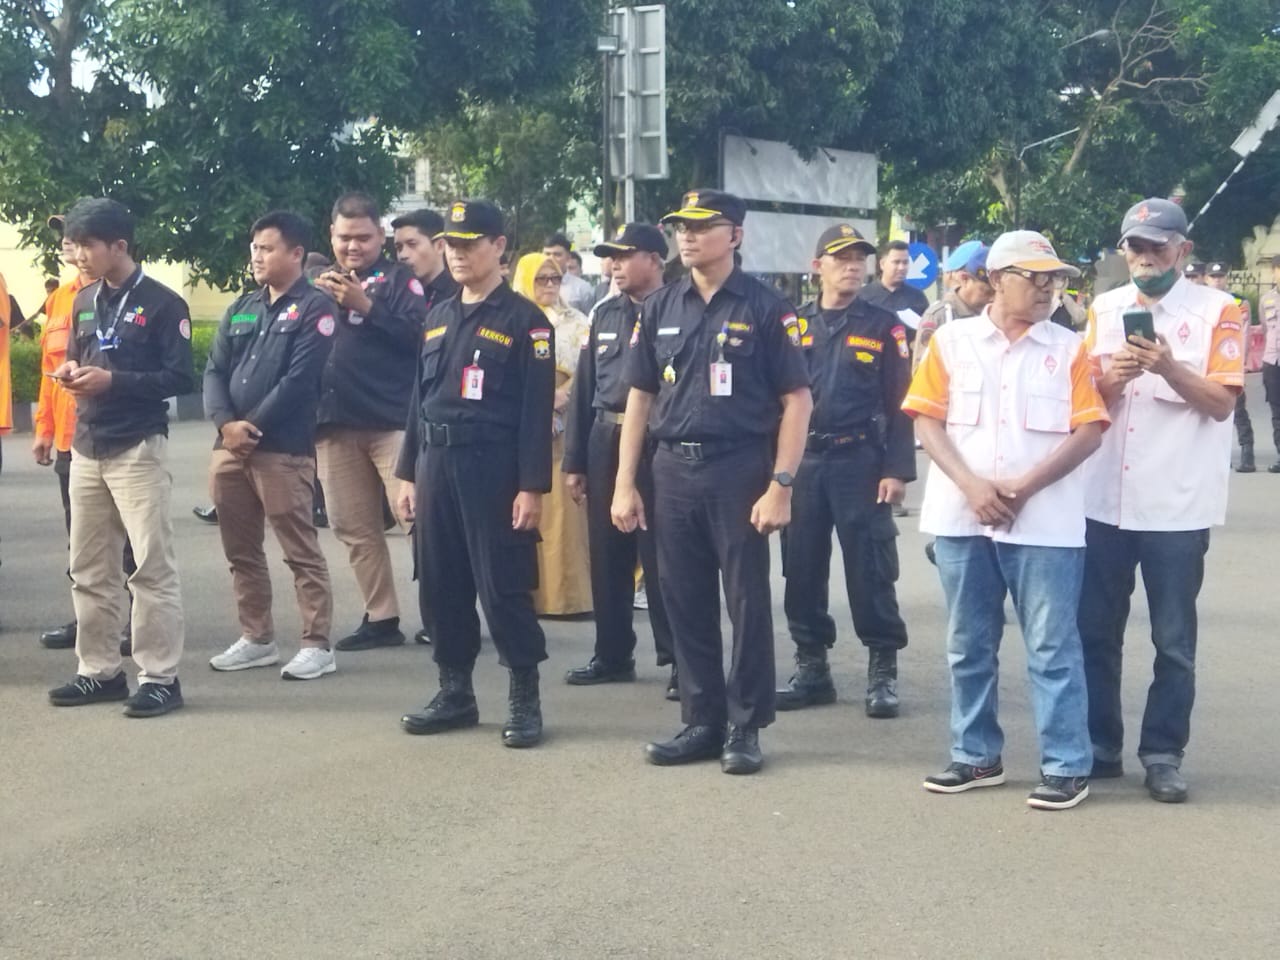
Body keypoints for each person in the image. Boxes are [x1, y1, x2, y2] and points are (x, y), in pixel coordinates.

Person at [613, 189, 813, 775]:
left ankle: (745, 725)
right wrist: (625, 483)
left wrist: (781, 484)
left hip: (739, 467)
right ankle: (702, 720)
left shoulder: (766, 307)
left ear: (736, 236)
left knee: (745, 599)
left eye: (703, 226)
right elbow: (640, 397)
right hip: (672, 468)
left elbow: (797, 400)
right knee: (682, 597)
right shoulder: (660, 306)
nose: (688, 235)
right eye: (682, 226)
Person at [905, 229, 1107, 811]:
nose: (1047, 289)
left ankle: (1066, 765)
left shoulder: (1069, 348)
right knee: (968, 644)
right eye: (1033, 277)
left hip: (1045, 523)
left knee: (1051, 647)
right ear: (996, 279)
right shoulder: (952, 341)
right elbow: (926, 419)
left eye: (1055, 279)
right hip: (961, 517)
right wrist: (972, 486)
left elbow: (1090, 430)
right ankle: (975, 755)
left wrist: (1024, 487)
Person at [1079, 198, 1245, 804]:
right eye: (1135, 246)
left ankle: (1163, 753)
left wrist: (1170, 368)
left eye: (1157, 246)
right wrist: (1113, 378)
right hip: (1104, 500)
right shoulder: (1103, 309)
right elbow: (1084, 397)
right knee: (1095, 632)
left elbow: (1222, 403)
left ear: (1183, 250)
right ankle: (1100, 746)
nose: (1145, 257)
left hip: (1176, 504)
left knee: (1173, 642)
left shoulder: (1220, 311)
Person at [395, 199, 555, 748]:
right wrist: (407, 473)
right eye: (452, 245)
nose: (458, 255)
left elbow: (535, 413)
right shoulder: (438, 316)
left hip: (493, 468)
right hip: (436, 464)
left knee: (503, 584)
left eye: (470, 244)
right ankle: (455, 692)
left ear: (498, 247)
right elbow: (419, 400)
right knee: (441, 582)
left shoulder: (526, 322)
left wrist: (531, 486)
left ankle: (524, 698)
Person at [48, 198, 194, 717]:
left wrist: (115, 381)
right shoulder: (84, 299)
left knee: (150, 567)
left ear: (119, 246)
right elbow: (79, 354)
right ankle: (99, 671)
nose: (78, 254)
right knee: (88, 567)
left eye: (87, 245)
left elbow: (180, 378)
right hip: (87, 444)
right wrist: (71, 372)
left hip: (137, 446)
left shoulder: (164, 303)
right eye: (74, 245)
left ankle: (160, 678)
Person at [776, 224, 915, 718]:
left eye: (860, 258)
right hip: (805, 462)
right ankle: (812, 668)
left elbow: (902, 404)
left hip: (861, 461)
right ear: (818, 267)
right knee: (801, 568)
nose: (853, 266)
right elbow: (776, 400)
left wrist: (896, 469)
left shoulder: (884, 326)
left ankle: (882, 671)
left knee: (870, 568)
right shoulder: (793, 324)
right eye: (842, 258)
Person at [203, 211, 338, 680]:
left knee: (300, 550)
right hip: (229, 450)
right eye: (255, 248)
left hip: (282, 449)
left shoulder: (316, 308)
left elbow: (299, 381)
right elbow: (214, 371)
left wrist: (249, 428)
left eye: (267, 248)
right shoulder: (243, 307)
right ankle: (257, 638)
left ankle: (317, 644)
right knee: (241, 550)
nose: (257, 256)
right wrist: (226, 426)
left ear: (296, 253)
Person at [561, 223, 676, 696]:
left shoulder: (677, 310)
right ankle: (612, 653)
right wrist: (575, 461)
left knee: (663, 556)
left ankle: (679, 659)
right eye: (612, 257)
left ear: (655, 260)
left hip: (658, 441)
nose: (615, 265)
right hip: (606, 435)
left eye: (625, 256)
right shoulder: (605, 314)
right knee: (607, 554)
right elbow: (585, 387)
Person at [312, 192, 428, 651]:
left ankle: (445, 613)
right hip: (334, 424)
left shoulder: (401, 281)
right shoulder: (319, 286)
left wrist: (366, 306)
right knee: (353, 527)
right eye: (345, 237)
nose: (353, 246)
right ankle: (381, 617)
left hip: (392, 422)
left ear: (381, 235)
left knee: (419, 521)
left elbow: (422, 338)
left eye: (363, 237)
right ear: (332, 235)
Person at [33, 214, 141, 653]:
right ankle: (90, 621)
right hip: (70, 439)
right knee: (80, 540)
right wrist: (43, 428)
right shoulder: (61, 299)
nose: (72, 248)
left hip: (119, 435)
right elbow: (49, 369)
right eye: (66, 240)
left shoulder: (122, 296)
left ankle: (136, 618)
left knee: (130, 539)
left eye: (81, 240)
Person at [512, 252, 592, 616]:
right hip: (521, 420)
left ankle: (567, 597)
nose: (548, 285)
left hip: (565, 423)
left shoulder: (577, 322)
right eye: (541, 279)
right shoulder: (514, 317)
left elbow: (589, 370)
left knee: (563, 512)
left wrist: (562, 397)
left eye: (555, 279)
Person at [1205, 262, 1257, 472]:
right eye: (1213, 277)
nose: (1217, 281)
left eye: (1220, 276)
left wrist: (1240, 365)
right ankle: (1219, 456)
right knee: (1209, 416)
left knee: (1238, 411)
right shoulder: (1200, 303)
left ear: (1226, 278)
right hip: (1206, 367)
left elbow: (1244, 335)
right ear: (1206, 279)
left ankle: (1247, 453)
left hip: (1230, 365)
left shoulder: (1237, 302)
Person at [913, 243, 992, 367]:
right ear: (964, 279)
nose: (993, 298)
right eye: (987, 292)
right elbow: (922, 368)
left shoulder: (994, 314)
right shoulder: (940, 316)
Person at [859, 239, 930, 340]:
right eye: (896, 262)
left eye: (905, 262)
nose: (901, 267)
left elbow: (926, 332)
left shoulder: (918, 297)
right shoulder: (863, 296)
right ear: (882, 264)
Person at [391, 208, 459, 312]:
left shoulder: (460, 293)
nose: (403, 255)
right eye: (399, 247)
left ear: (440, 246)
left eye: (412, 244)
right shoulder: (395, 293)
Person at [1259, 254, 1280, 472]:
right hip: (1272, 362)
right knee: (1277, 412)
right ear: (1273, 273)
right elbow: (1265, 328)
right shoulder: (1266, 300)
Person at [543, 232, 597, 315]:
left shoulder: (582, 288)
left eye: (557, 255)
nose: (551, 259)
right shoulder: (535, 285)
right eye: (547, 254)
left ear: (568, 257)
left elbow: (591, 319)